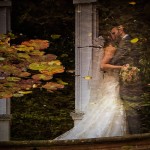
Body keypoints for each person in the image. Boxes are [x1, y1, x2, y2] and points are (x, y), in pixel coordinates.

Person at [54, 35, 127, 140]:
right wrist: (121, 67)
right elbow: (102, 65)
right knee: (112, 104)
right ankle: (108, 134)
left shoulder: (109, 49)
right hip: (111, 81)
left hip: (111, 80)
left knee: (109, 104)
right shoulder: (111, 49)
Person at [104, 25, 143, 134]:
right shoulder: (126, 41)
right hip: (126, 79)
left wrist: (107, 62)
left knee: (131, 109)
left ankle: (136, 137)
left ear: (120, 29)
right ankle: (134, 135)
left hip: (129, 82)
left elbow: (116, 60)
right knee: (130, 109)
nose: (113, 35)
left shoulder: (126, 41)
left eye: (113, 32)